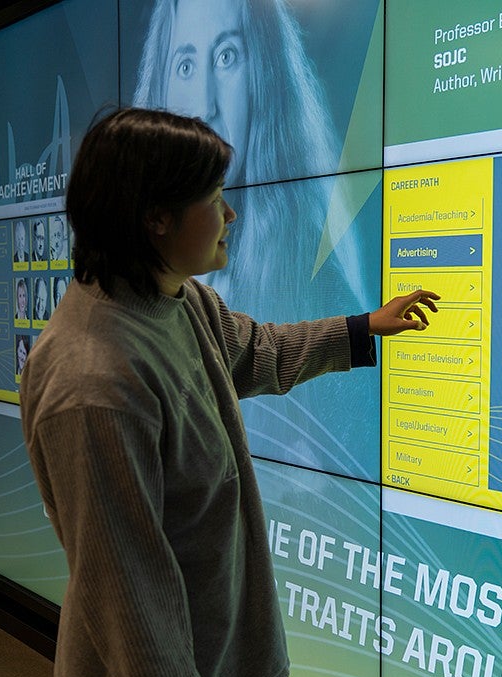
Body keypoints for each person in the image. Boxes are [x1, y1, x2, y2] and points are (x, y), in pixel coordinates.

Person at [19, 108, 438, 677]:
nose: (231, 214)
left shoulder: (174, 300)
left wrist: (363, 329)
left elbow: (250, 350)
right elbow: (123, 572)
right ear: (156, 218)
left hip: (205, 666)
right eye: (216, 199)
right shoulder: (92, 381)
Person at [133, 0, 383, 476]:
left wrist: (363, 327)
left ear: (264, 75)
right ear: (158, 216)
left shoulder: (191, 302)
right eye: (184, 64)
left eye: (226, 57)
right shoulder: (90, 361)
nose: (204, 102)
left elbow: (265, 352)